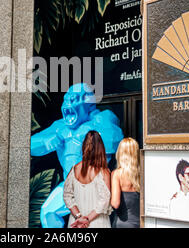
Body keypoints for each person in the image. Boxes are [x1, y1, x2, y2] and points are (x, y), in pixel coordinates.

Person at [31, 83, 123, 227]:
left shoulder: (101, 119)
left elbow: (115, 140)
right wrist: (46, 141)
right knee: (48, 211)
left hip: (95, 183)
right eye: (67, 99)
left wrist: (87, 131)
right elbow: (29, 145)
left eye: (74, 99)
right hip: (69, 182)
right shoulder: (60, 127)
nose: (69, 103)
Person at [63, 130, 112, 228]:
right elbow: (105, 201)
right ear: (101, 149)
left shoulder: (74, 169)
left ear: (84, 147)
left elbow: (67, 196)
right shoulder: (104, 172)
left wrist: (79, 217)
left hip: (76, 223)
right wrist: (87, 219)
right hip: (98, 223)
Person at [110, 137, 141, 228]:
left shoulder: (117, 174)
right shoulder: (142, 173)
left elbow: (115, 204)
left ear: (120, 153)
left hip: (123, 223)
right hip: (140, 223)